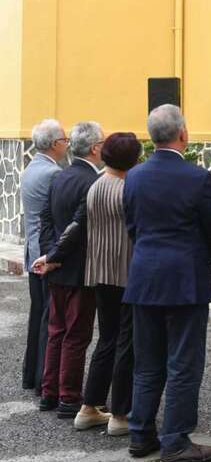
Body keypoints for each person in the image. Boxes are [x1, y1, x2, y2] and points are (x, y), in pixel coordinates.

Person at [122, 104, 211, 462]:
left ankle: (140, 433)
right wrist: (196, 263)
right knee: (183, 363)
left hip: (144, 276)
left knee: (147, 362)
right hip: (185, 280)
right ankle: (176, 442)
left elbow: (132, 226)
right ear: (183, 134)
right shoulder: (197, 177)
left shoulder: (134, 176)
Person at [58, 133, 140, 434]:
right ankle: (120, 415)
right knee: (126, 344)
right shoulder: (128, 189)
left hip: (100, 271)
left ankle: (89, 407)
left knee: (106, 340)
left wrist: (53, 255)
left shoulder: (95, 186)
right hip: (126, 271)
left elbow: (79, 225)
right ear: (133, 160)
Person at [33, 121, 104, 419]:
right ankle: (69, 397)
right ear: (95, 148)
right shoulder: (92, 182)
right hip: (78, 269)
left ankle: (49, 392)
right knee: (76, 335)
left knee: (56, 331)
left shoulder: (60, 176)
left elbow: (45, 219)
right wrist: (55, 255)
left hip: (58, 268)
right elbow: (78, 226)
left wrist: (50, 255)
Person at [20, 119, 67, 393]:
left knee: (38, 313)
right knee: (50, 318)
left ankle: (31, 374)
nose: (66, 144)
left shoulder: (30, 168)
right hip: (46, 255)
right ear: (54, 144)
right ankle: (43, 378)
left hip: (32, 251)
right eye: (64, 140)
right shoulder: (53, 173)